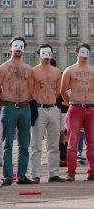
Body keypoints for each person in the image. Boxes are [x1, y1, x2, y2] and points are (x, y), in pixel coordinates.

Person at [0, 36, 34, 186]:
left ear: (24, 49)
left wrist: (24, 101)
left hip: (24, 107)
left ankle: (22, 175)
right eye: (15, 46)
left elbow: (31, 90)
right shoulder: (2, 68)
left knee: (24, 144)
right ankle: (7, 176)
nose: (18, 48)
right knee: (7, 143)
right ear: (10, 48)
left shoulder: (28, 69)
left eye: (21, 46)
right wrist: (3, 104)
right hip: (9, 107)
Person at [29, 44, 64, 183]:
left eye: (49, 53)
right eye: (43, 53)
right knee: (36, 143)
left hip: (54, 108)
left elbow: (59, 90)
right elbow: (30, 90)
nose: (46, 56)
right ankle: (35, 174)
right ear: (39, 55)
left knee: (54, 143)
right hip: (39, 108)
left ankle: (53, 173)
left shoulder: (57, 71)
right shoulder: (34, 71)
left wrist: (57, 107)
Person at [61, 43, 94, 181]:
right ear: (76, 53)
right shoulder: (70, 70)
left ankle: (92, 172)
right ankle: (71, 172)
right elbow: (62, 90)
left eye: (87, 52)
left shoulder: (93, 70)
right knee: (72, 141)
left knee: (92, 142)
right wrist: (70, 102)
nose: (85, 54)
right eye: (82, 51)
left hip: (91, 108)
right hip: (75, 107)